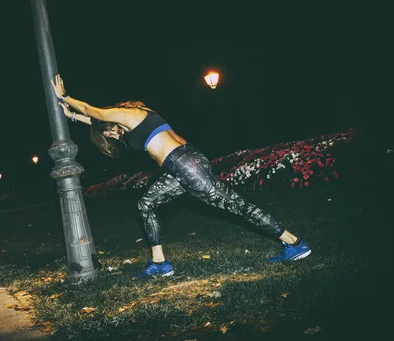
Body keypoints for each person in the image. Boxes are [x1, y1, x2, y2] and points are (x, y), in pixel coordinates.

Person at [51, 74, 311, 279]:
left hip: (185, 165)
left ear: (114, 116)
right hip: (181, 165)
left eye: (109, 133)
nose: (110, 136)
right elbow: (96, 121)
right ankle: (160, 264)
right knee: (145, 204)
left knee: (238, 206)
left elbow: (92, 110)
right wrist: (73, 116)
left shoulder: (125, 114)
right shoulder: (139, 118)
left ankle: (295, 243)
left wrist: (65, 96)